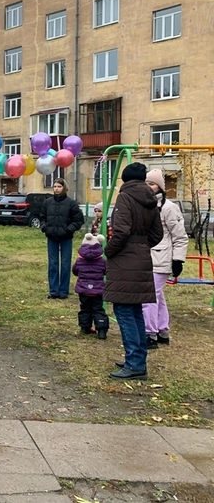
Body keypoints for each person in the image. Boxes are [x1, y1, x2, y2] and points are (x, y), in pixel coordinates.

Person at [104, 163, 163, 380]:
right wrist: (141, 245)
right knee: (135, 311)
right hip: (142, 258)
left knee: (124, 312)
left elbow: (120, 231)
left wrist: (109, 250)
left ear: (125, 179)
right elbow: (157, 234)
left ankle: (135, 363)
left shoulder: (125, 197)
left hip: (124, 260)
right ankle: (138, 358)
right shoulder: (151, 200)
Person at [144, 169, 188, 349]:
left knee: (148, 297)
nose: (149, 187)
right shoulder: (145, 205)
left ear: (160, 187)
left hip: (161, 258)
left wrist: (178, 260)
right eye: (146, 184)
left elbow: (180, 236)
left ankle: (149, 334)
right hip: (147, 257)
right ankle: (162, 331)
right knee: (158, 296)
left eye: (152, 184)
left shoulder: (169, 208)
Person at [40, 178, 84, 299]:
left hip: (66, 237)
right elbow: (42, 217)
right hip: (52, 237)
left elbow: (79, 220)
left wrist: (68, 230)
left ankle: (64, 291)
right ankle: (54, 291)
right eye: (54, 186)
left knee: (65, 264)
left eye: (59, 186)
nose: (56, 189)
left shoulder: (71, 203)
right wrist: (45, 228)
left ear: (64, 187)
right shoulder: (48, 202)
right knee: (53, 264)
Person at [72, 233, 109, 339]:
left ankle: (85, 327)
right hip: (97, 290)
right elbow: (106, 271)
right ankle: (101, 330)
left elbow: (75, 271)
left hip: (83, 289)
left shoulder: (79, 260)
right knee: (98, 309)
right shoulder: (102, 261)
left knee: (85, 308)